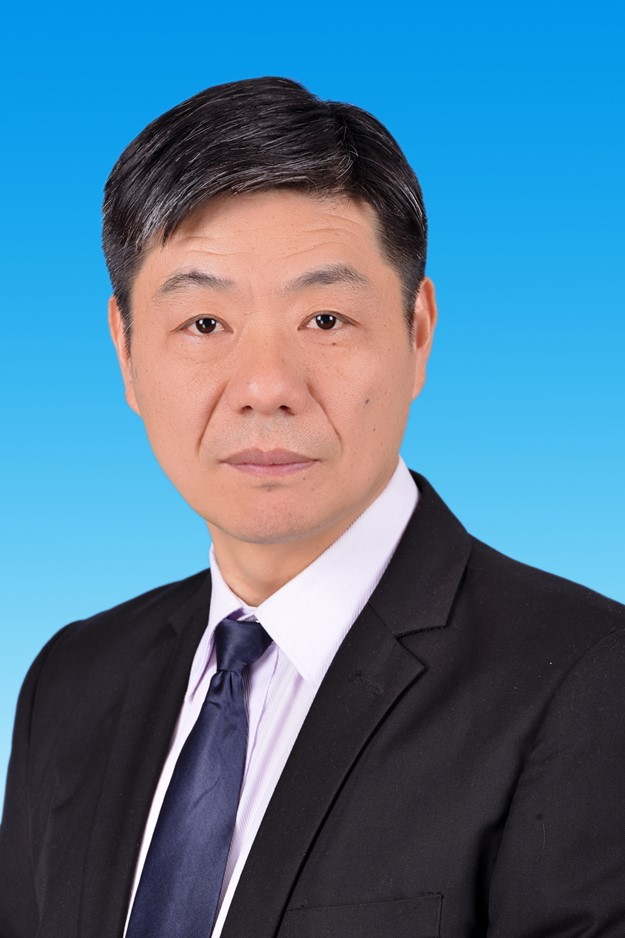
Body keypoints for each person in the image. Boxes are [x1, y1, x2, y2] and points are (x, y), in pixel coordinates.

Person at [1, 76, 624, 938]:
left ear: (417, 332)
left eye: (325, 319)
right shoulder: (71, 681)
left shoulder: (589, 682)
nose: (266, 387)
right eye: (204, 324)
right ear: (125, 349)